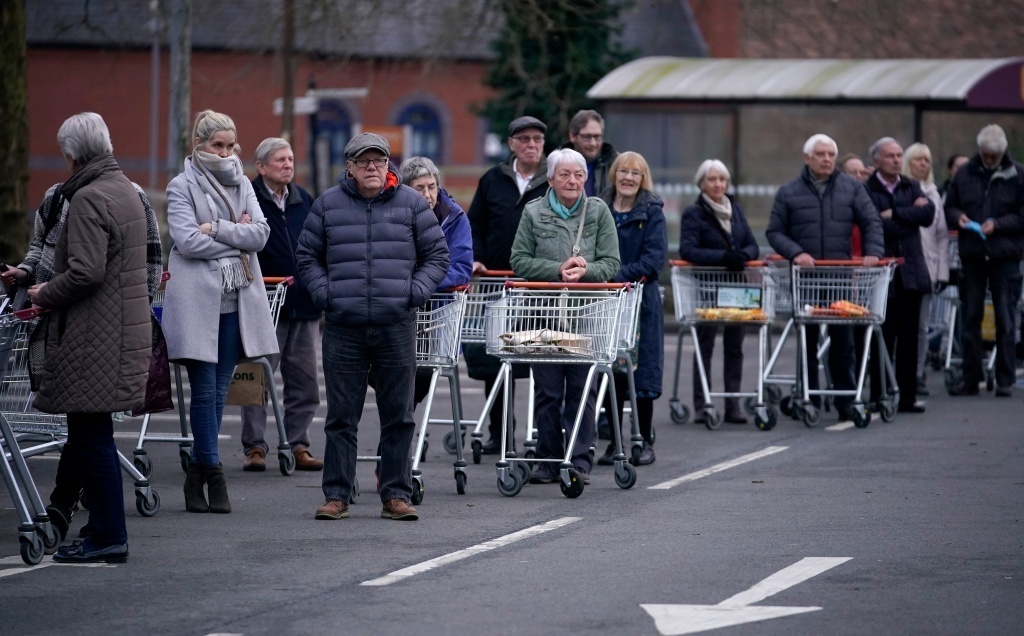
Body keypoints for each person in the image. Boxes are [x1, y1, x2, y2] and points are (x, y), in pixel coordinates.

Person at [296, 132, 448, 522]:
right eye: (363, 161)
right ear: (349, 166)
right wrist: (326, 295)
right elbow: (307, 257)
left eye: (378, 160)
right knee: (341, 417)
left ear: (387, 164)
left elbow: (437, 256)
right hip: (343, 327)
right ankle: (337, 494)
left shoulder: (411, 204)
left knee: (399, 415)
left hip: (396, 324)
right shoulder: (327, 205)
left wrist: (413, 293)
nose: (372, 167)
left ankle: (395, 494)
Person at [1, 180, 161, 544]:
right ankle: (93, 517)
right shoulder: (56, 197)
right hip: (54, 326)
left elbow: (143, 264)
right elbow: (40, 249)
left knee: (87, 423)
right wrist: (25, 272)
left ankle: (68, 510)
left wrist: (137, 314)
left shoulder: (128, 196)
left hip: (98, 328)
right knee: (86, 427)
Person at [26, 112, 150, 563]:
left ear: (72, 155)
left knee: (90, 436)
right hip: (119, 331)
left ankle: (109, 535)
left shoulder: (88, 198)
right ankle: (100, 528)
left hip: (94, 335)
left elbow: (85, 273)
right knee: (91, 434)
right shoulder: (125, 190)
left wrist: (43, 292)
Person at [164, 110, 279, 514]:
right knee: (203, 391)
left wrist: (215, 228)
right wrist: (236, 234)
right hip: (197, 301)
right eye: (218, 145)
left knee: (218, 391)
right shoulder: (181, 186)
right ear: (199, 144)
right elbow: (187, 242)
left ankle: (197, 473)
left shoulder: (243, 182)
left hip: (236, 301)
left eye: (231, 145)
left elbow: (260, 235)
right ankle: (214, 473)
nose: (226, 153)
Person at [510, 148, 620, 486]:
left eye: (578, 175)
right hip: (542, 313)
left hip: (587, 314)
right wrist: (558, 269)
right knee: (547, 391)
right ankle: (547, 459)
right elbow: (519, 260)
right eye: (564, 174)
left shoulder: (598, 211)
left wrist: (586, 270)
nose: (572, 181)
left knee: (582, 390)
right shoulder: (533, 212)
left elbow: (612, 263)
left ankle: (579, 461)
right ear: (550, 179)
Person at [766, 133, 884, 420]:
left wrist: (873, 251)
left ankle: (846, 400)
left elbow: (871, 221)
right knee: (806, 339)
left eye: (831, 154)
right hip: (804, 278)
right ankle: (809, 398)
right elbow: (775, 232)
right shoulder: (789, 191)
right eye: (820, 154)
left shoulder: (851, 188)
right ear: (807, 158)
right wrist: (796, 252)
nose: (827, 159)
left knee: (842, 340)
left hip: (838, 276)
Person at [466, 116, 549, 454]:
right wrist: (476, 259)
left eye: (537, 139)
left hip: (539, 285)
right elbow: (475, 225)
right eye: (524, 139)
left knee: (542, 357)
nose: (531, 145)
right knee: (497, 358)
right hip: (497, 282)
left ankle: (541, 434)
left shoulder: (553, 179)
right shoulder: (492, 179)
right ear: (512, 144)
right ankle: (499, 434)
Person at [239, 138, 323, 473]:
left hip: (304, 304)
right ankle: (254, 447)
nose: (288, 165)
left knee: (304, 381)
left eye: (290, 159)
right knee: (256, 377)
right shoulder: (248, 198)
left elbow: (320, 245)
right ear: (261, 167)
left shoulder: (304, 199)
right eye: (280, 160)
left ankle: (298, 444)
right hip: (264, 305)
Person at [596, 152, 666, 466]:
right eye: (623, 171)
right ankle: (614, 441)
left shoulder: (652, 211)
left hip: (640, 302)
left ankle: (643, 440)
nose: (628, 178)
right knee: (610, 372)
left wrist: (615, 275)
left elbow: (653, 261)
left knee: (641, 373)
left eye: (635, 173)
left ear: (643, 178)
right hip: (605, 301)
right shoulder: (599, 207)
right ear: (614, 174)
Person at [679, 159, 761, 425]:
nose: (718, 184)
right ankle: (702, 405)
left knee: (735, 346)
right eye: (712, 179)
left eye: (722, 179)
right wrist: (724, 257)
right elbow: (688, 250)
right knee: (705, 345)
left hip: (737, 288)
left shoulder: (735, 209)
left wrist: (743, 255)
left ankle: (732, 405)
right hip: (707, 287)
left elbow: (752, 245)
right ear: (701, 183)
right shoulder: (694, 214)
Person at [945, 125, 1024, 397]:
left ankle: (1005, 379)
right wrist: (958, 217)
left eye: (994, 155)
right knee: (970, 316)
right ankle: (971, 377)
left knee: (1005, 318)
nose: (989, 159)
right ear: (980, 150)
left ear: (1003, 152)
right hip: (973, 255)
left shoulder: (1019, 175)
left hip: (1005, 255)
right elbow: (949, 206)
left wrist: (998, 224)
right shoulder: (964, 173)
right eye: (986, 154)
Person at [864, 137, 935, 414]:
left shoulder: (910, 185)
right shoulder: (867, 189)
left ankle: (907, 397)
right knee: (883, 337)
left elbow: (927, 215)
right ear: (877, 161)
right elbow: (875, 224)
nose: (896, 160)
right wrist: (909, 215)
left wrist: (894, 213)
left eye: (898, 155)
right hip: (884, 276)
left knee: (909, 338)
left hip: (911, 273)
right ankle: (879, 395)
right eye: (890, 156)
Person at [902, 142, 949, 396]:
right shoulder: (900, 190)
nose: (923, 164)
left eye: (927, 160)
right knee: (899, 325)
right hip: (902, 265)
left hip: (927, 267)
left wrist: (942, 273)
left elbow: (941, 236)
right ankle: (897, 372)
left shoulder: (933, 194)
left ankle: (916, 373)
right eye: (918, 159)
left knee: (921, 326)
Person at [562, 109, 618, 197]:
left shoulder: (617, 165)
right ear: (572, 136)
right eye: (587, 137)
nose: (593, 143)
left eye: (597, 137)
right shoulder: (556, 164)